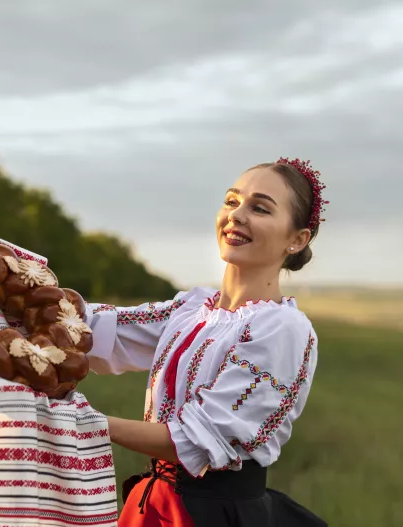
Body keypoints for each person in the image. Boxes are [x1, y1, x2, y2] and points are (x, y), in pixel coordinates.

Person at [85, 158, 329, 526]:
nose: (238, 215)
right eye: (232, 201)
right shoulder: (194, 309)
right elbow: (102, 330)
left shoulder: (281, 328)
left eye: (260, 208)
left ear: (296, 240)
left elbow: (198, 439)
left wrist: (84, 423)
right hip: (154, 503)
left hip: (210, 514)